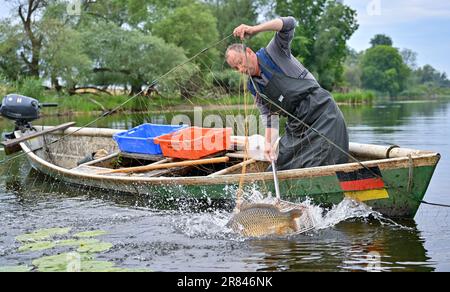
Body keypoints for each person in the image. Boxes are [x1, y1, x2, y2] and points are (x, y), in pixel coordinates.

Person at [225, 17, 349, 170]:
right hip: (297, 125)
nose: (241, 69)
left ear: (249, 52)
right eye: (236, 68)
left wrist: (254, 29)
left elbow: (289, 23)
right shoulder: (253, 87)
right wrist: (269, 144)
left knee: (327, 160)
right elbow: (270, 118)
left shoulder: (275, 51)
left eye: (240, 63)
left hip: (322, 113)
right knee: (278, 166)